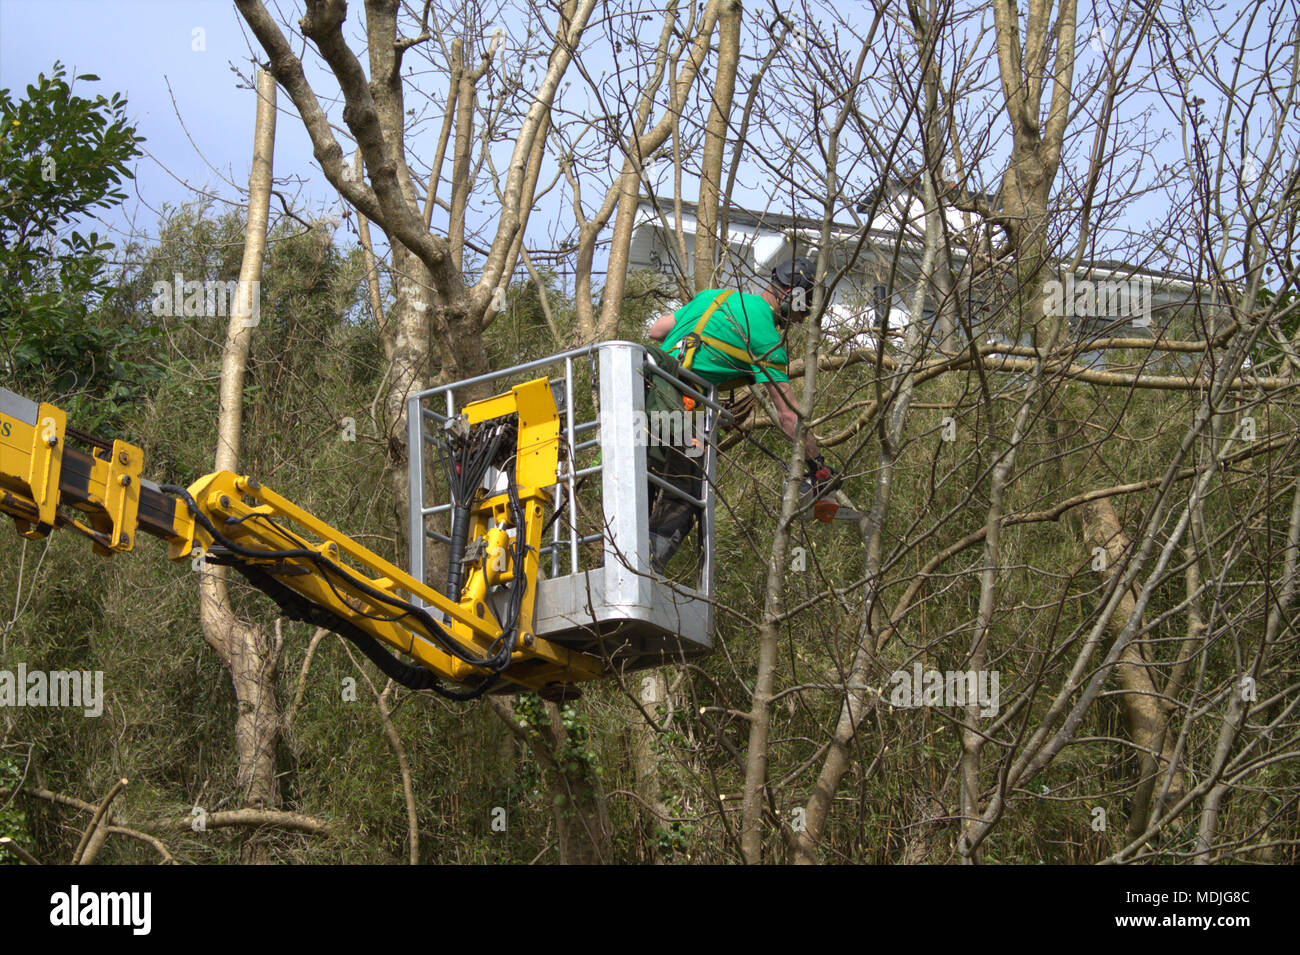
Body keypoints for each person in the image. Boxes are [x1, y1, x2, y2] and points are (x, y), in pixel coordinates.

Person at [642, 257, 837, 572]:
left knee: (643, 482)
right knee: (687, 493)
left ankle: (624, 558)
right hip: (671, 409)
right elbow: (788, 416)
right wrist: (817, 465)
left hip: (643, 393)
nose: (800, 320)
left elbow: (656, 330)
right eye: (804, 308)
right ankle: (643, 569)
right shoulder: (765, 338)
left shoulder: (715, 297)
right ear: (794, 295)